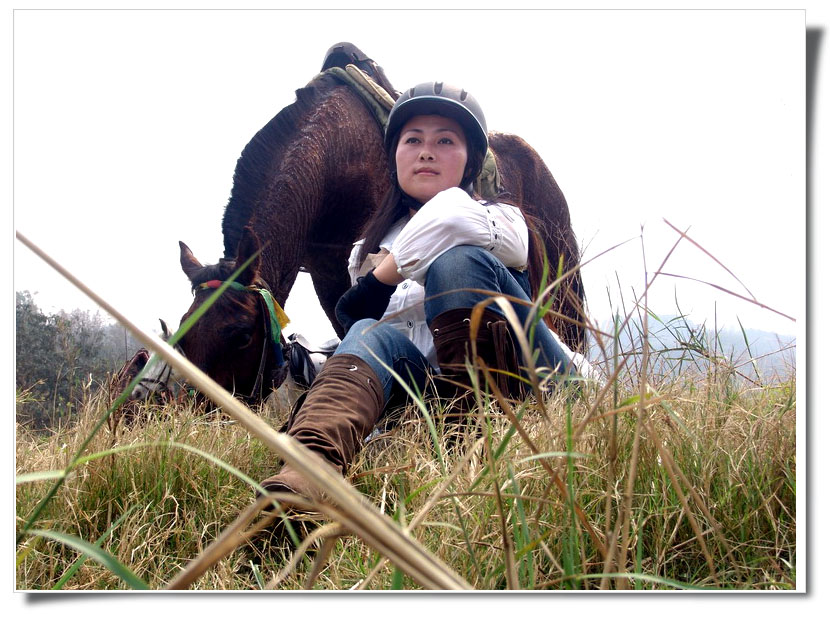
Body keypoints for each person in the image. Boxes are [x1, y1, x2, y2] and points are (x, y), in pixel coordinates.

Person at [259, 82, 586, 503]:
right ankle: (306, 474)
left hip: (535, 382)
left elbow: (450, 217)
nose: (426, 151)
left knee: (456, 264)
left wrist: (382, 277)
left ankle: (476, 445)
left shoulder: (503, 218)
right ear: (393, 156)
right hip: (435, 396)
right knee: (368, 331)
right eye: (412, 140)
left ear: (472, 162)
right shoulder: (364, 249)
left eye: (445, 141)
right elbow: (373, 333)